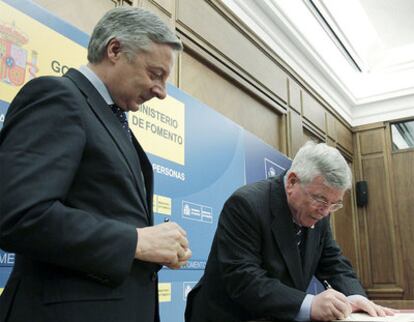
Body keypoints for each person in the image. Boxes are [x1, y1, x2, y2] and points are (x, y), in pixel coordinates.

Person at [0, 7, 191, 322]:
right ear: (114, 50)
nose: (161, 92)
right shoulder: (58, 97)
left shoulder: (112, 120)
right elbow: (18, 214)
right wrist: (136, 241)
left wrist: (154, 245)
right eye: (155, 74)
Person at [185, 141, 393, 322]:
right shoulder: (247, 204)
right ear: (292, 181)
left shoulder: (320, 212)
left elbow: (333, 262)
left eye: (334, 204)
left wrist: (355, 296)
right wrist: (309, 304)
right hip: (229, 316)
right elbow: (243, 278)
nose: (326, 211)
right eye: (321, 199)